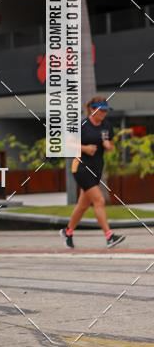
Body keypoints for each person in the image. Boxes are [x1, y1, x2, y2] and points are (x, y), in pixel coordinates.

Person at [60, 97, 124, 250]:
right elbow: (68, 143)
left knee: (83, 205)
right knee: (99, 201)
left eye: (105, 110)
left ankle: (67, 232)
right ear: (92, 109)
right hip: (81, 168)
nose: (104, 113)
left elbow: (111, 147)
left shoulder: (107, 126)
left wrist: (108, 146)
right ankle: (109, 236)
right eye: (101, 110)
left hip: (96, 169)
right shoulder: (82, 124)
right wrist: (85, 148)